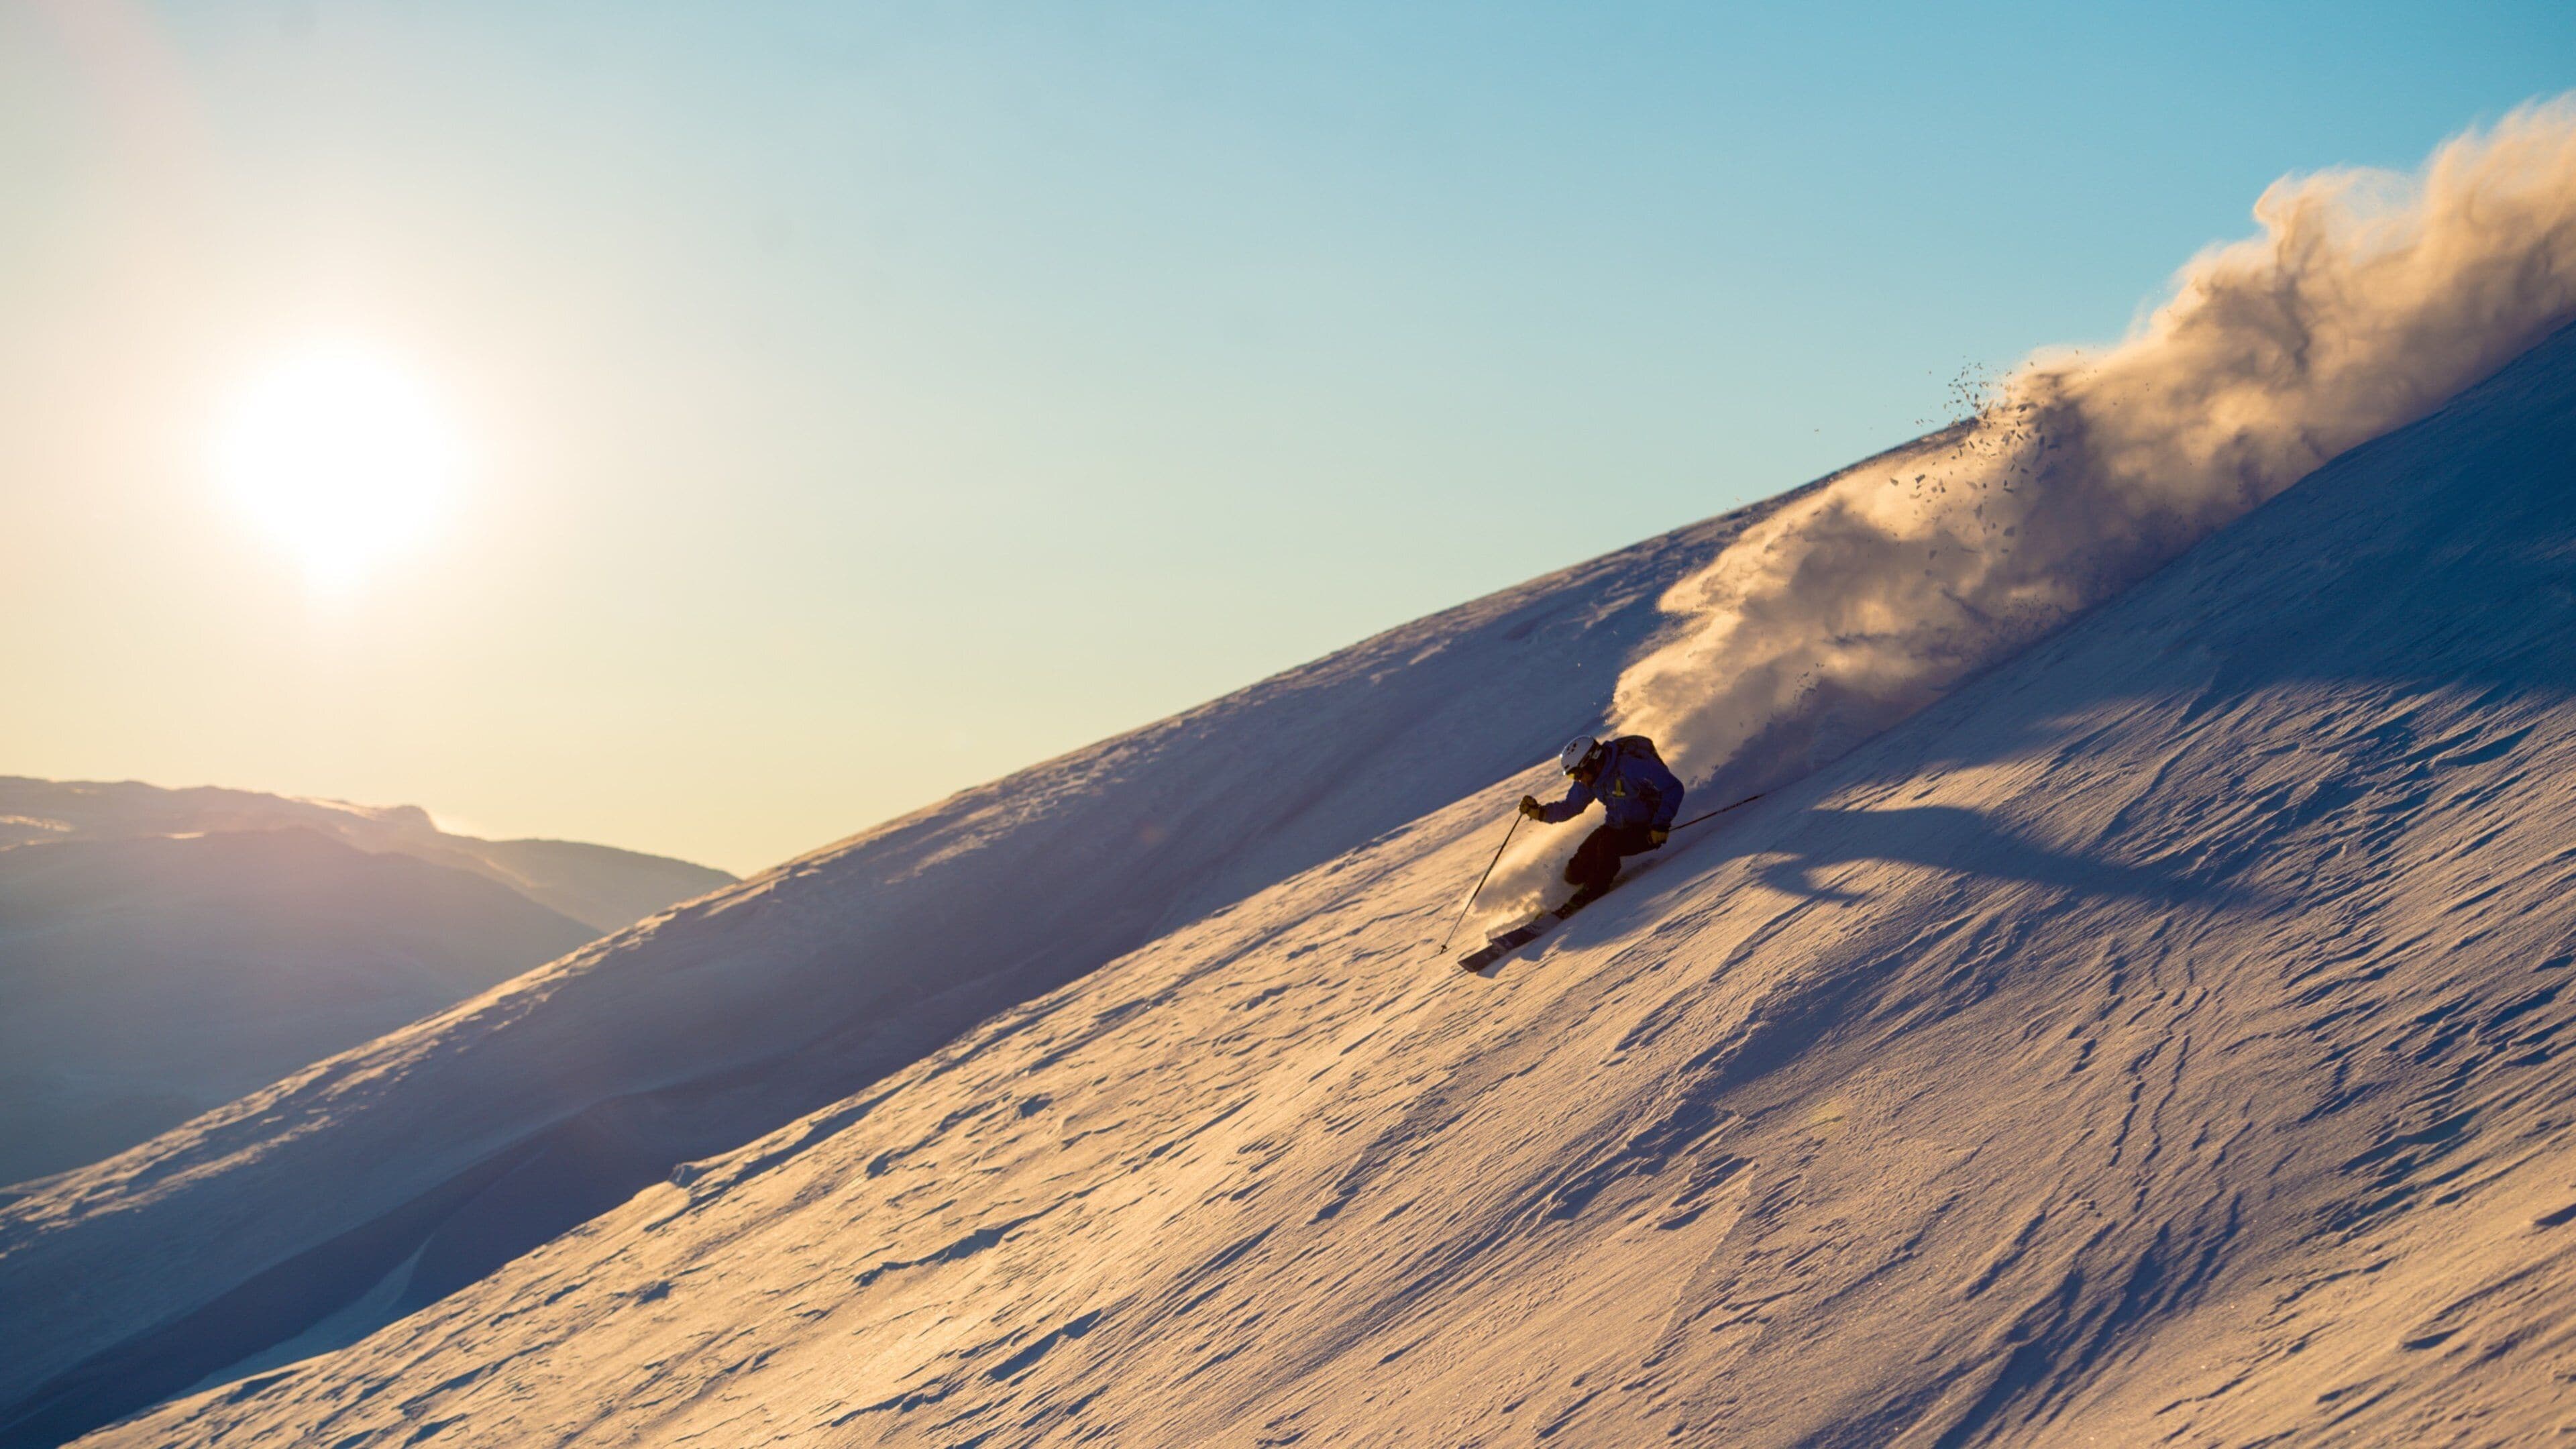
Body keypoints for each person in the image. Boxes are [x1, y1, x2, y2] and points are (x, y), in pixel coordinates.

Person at [1519, 734, 1686, 914]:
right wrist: (1540, 813)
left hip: (1649, 829)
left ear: (1591, 762)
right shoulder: (1591, 780)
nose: (1578, 780)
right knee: (1576, 870)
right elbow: (1571, 806)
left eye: (1577, 774)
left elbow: (1673, 788)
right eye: (1572, 776)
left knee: (1608, 846)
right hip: (1615, 828)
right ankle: (1569, 892)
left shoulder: (1631, 767)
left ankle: (1592, 891)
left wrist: (1660, 824)